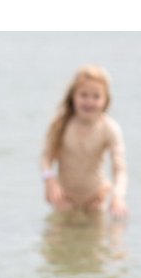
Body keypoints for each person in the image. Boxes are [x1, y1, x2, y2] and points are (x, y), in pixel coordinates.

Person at [41, 65, 129, 219]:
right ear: (73, 96)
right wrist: (49, 180)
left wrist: (118, 196)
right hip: (64, 199)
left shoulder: (109, 128)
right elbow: (46, 157)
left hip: (96, 199)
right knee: (57, 233)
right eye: (83, 95)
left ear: (106, 100)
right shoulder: (61, 124)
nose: (89, 101)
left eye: (96, 96)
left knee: (97, 234)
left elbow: (120, 169)